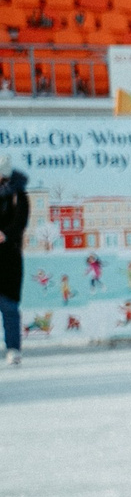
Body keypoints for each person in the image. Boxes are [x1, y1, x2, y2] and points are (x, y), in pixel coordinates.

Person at [0, 151, 27, 367]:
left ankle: (13, 348)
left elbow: (21, 221)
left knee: (9, 306)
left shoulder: (18, 194)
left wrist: (5, 235)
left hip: (9, 258)